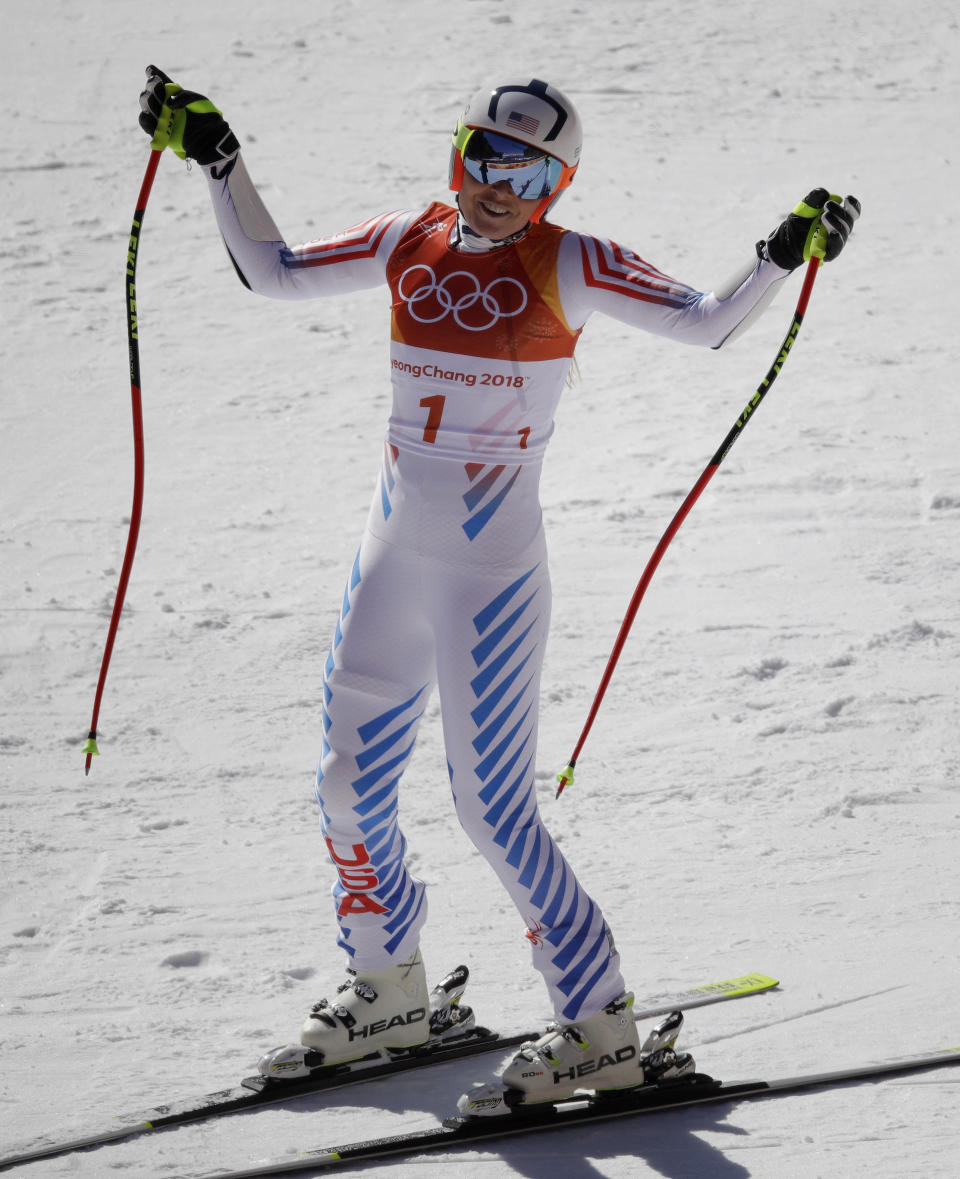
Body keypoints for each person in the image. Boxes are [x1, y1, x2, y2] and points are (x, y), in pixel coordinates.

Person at [138, 68, 859, 1114]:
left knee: (492, 808)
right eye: (484, 154)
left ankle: (601, 1023)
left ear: (557, 182)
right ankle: (387, 987)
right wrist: (220, 158)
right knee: (346, 785)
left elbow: (705, 324)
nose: (497, 183)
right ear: (458, 154)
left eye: (526, 168)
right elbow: (276, 272)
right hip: (390, 553)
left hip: (489, 575)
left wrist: (779, 255)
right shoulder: (406, 242)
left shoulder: (574, 262)